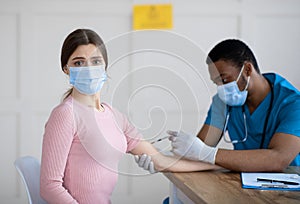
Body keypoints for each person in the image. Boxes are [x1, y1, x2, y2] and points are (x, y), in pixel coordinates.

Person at [40, 28, 220, 204]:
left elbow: (160, 160)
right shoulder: (65, 115)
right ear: (66, 69)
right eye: (79, 63)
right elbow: (49, 186)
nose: (89, 68)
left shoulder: (113, 116)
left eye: (95, 61)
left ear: (105, 66)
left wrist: (217, 165)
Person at [165, 39, 300, 172]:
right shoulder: (223, 102)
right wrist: (162, 158)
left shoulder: (293, 104)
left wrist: (208, 154)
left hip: (287, 188)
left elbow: (278, 160)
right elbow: (198, 150)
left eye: (224, 79)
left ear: (247, 69)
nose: (221, 88)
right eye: (216, 83)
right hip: (239, 183)